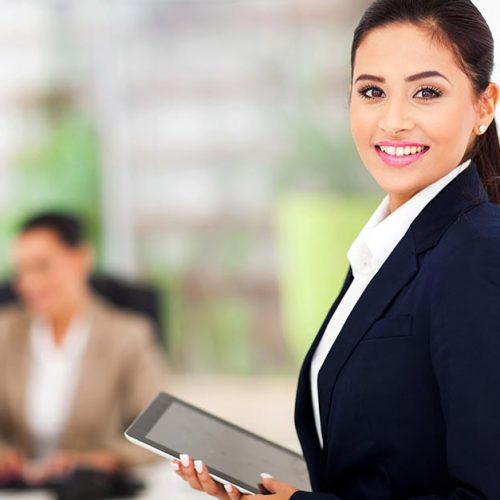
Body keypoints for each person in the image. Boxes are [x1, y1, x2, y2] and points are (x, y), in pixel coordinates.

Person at [170, 0, 500, 498]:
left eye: (426, 92)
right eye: (372, 91)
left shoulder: (479, 253)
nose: (393, 121)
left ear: (484, 106)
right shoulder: (386, 248)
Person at [0, 212, 167, 484]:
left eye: (42, 267)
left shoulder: (128, 336)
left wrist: (103, 460)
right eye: (21, 272)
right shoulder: (4, 332)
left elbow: (160, 432)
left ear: (82, 259)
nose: (30, 283)